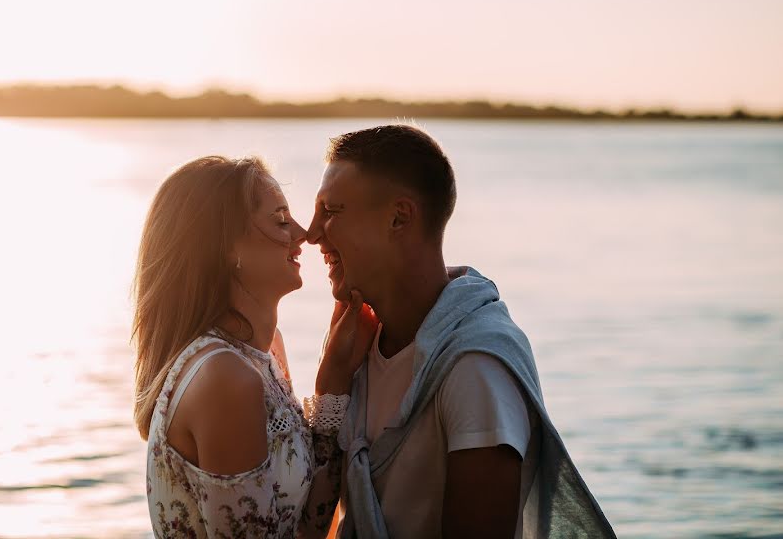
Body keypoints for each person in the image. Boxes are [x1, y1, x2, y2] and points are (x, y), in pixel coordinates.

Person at [306, 124, 615, 538]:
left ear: (399, 218)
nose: (311, 233)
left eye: (331, 211)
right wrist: (333, 385)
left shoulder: (474, 369)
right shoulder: (358, 348)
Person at [131, 156, 377, 538]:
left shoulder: (264, 353)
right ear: (226, 248)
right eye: (281, 221)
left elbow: (308, 528)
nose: (304, 234)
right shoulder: (225, 378)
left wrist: (333, 386)